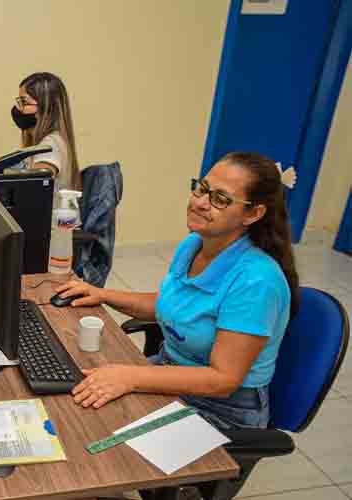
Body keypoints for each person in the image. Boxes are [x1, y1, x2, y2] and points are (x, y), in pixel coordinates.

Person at [55, 152, 299, 430]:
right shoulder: (195, 244)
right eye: (202, 188)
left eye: (220, 199)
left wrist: (131, 377)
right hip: (170, 372)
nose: (200, 203)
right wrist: (102, 294)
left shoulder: (256, 282)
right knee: (74, 402)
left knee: (100, 438)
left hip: (222, 407)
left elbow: (223, 380)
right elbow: (175, 305)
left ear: (253, 213)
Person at [12, 72, 82, 191]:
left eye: (24, 102)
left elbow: (33, 191)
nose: (19, 109)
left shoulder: (49, 146)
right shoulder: (51, 142)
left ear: (46, 108)